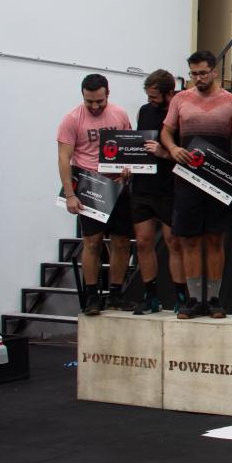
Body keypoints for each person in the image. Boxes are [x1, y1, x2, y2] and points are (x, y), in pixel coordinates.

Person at [160, 50, 232, 319]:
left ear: (214, 72)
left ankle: (213, 299)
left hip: (218, 179)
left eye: (203, 73)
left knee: (214, 239)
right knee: (188, 240)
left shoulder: (231, 101)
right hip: (187, 178)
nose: (198, 78)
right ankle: (193, 299)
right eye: (194, 74)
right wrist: (173, 148)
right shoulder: (180, 99)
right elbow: (166, 131)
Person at [56, 73, 134, 314]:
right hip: (90, 185)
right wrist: (70, 195)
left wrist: (128, 167)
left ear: (108, 94)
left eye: (99, 101)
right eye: (89, 101)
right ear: (82, 95)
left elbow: (129, 146)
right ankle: (92, 296)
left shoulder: (120, 114)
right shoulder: (72, 119)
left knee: (122, 242)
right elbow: (64, 158)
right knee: (92, 242)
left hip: (117, 184)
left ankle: (116, 294)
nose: (95, 106)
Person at [130, 70, 188, 314]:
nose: (150, 101)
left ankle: (181, 296)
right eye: (148, 96)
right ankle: (150, 296)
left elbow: (187, 154)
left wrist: (164, 152)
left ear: (169, 93)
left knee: (173, 242)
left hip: (168, 186)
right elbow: (137, 144)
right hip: (142, 186)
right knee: (143, 242)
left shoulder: (180, 113)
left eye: (154, 97)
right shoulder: (144, 111)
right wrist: (127, 163)